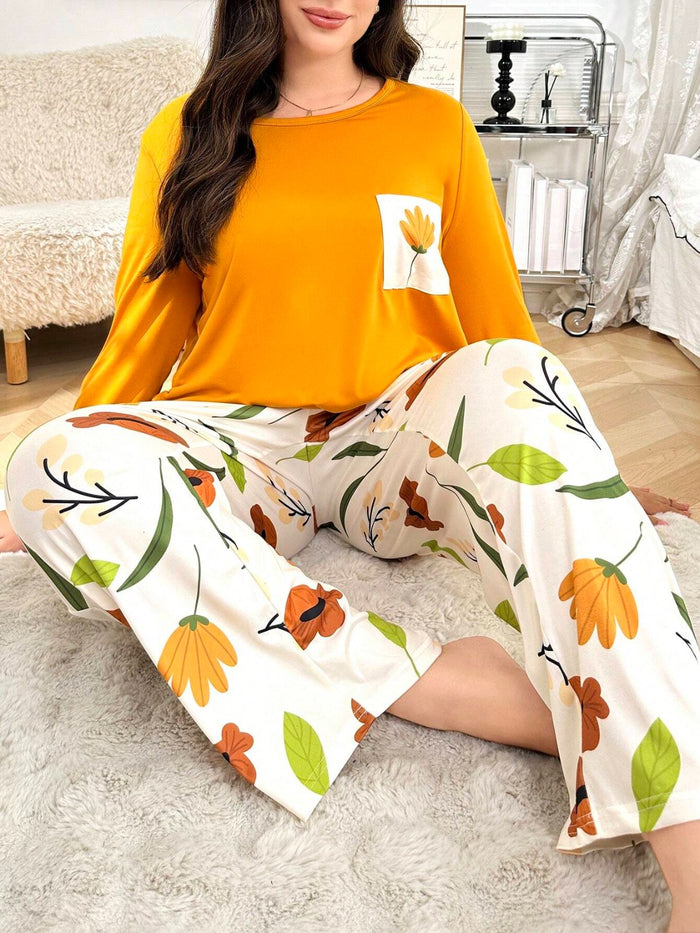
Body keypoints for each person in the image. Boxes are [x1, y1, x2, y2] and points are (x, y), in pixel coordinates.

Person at [1, 2, 698, 927]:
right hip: (242, 446)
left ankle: (692, 864)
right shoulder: (185, 132)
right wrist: (61, 487)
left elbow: (498, 323)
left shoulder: (432, 125)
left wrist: (582, 459)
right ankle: (429, 679)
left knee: (516, 373)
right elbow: (144, 330)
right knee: (48, 460)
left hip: (396, 436)